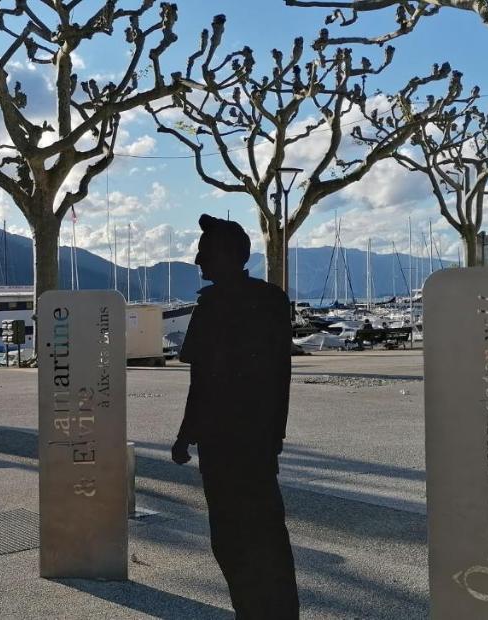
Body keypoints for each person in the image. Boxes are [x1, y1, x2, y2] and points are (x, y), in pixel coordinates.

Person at [172, 214, 298, 619]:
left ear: (227, 255)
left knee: (230, 535)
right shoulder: (272, 300)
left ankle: (253, 610)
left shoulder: (212, 306)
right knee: (265, 533)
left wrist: (185, 434)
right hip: (257, 442)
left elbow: (201, 381)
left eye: (204, 250)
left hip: (224, 443)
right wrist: (274, 434)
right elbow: (283, 378)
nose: (196, 258)